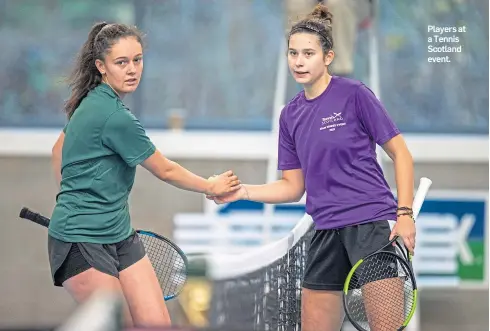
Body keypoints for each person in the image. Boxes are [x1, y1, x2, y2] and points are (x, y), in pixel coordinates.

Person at [208, 4, 415, 331]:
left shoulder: (355, 95)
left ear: (328, 57)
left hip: (370, 229)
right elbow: (292, 187)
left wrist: (404, 215)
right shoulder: (289, 115)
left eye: (308, 53)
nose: (299, 61)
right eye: (293, 53)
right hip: (323, 235)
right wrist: (243, 191)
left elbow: (401, 154)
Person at [49, 22, 241, 328]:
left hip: (120, 236)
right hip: (80, 241)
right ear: (101, 66)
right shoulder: (113, 115)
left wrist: (92, 201)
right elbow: (164, 169)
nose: (132, 69)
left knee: (158, 325)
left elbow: (58, 151)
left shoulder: (93, 103)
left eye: (137, 60)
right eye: (121, 62)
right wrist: (211, 185)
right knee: (117, 324)